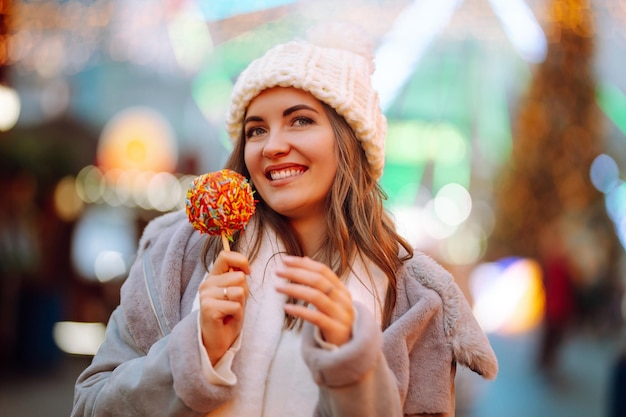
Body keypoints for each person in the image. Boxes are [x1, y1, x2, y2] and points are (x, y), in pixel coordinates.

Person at [72, 23, 498, 417]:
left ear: (350, 140)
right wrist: (195, 351)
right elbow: (90, 404)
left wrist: (353, 365)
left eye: (300, 120)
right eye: (256, 129)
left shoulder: (411, 294)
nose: (272, 145)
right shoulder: (178, 253)